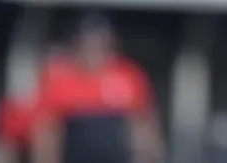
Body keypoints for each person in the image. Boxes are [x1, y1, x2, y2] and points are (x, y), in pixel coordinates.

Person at [31, 14, 161, 163]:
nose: (94, 50)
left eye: (100, 43)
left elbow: (143, 126)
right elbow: (47, 131)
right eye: (88, 43)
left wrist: (147, 155)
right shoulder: (60, 79)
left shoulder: (129, 75)